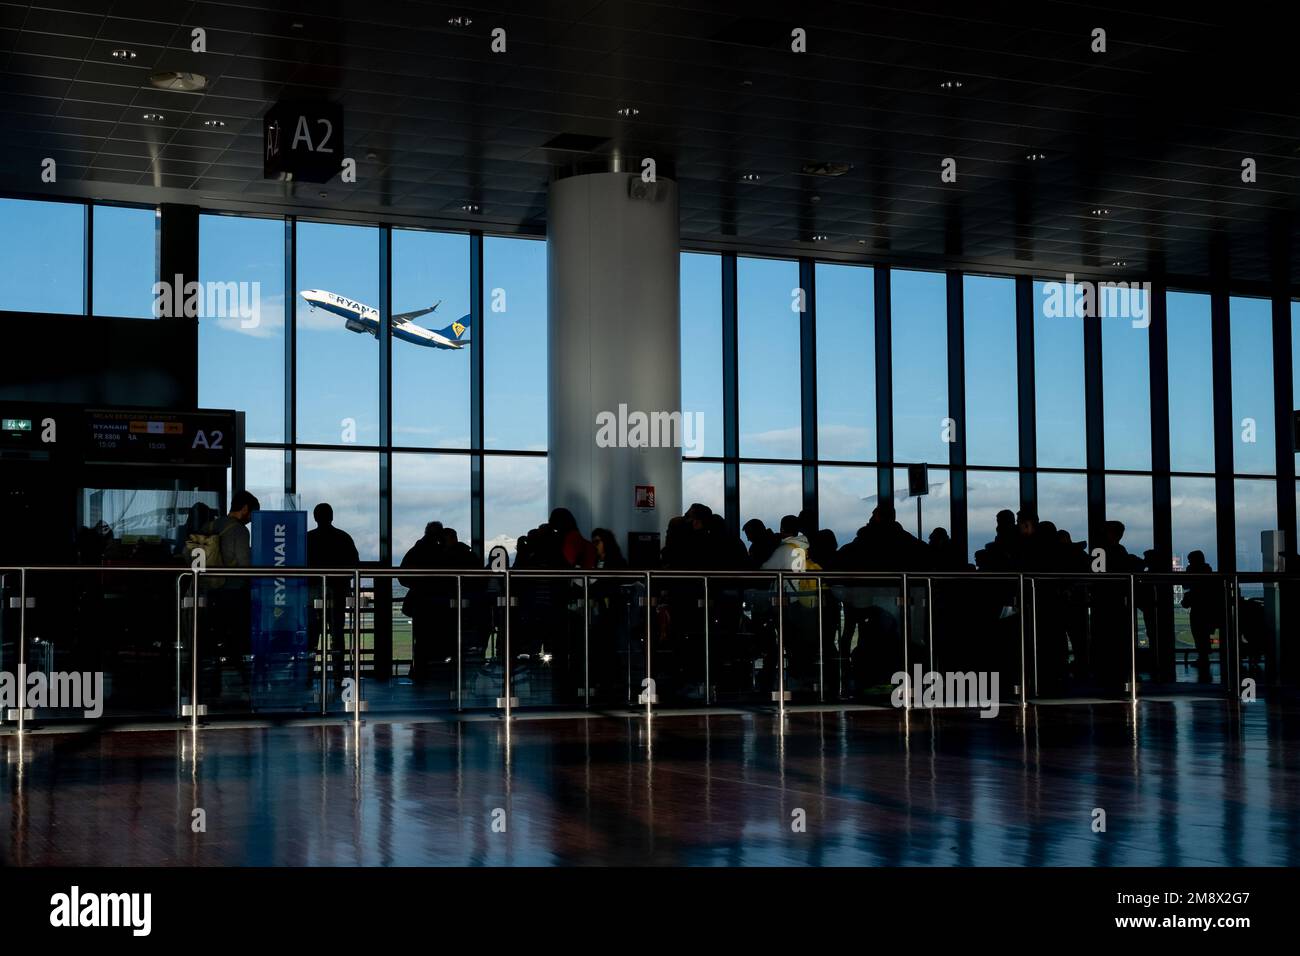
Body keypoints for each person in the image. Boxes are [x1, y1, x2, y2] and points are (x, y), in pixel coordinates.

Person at [204, 491, 260, 698]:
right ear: (245, 509)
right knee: (237, 638)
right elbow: (245, 564)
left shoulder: (211, 526)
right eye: (253, 513)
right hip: (233, 591)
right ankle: (243, 684)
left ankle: (210, 685)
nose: (252, 519)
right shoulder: (239, 531)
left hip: (209, 590)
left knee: (213, 638)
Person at [306, 503, 359, 683]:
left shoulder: (308, 538)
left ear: (315, 517)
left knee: (312, 635)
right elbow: (354, 564)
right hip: (337, 591)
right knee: (337, 634)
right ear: (332, 516)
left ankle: (307, 674)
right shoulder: (343, 538)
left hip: (313, 592)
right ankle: (338, 675)